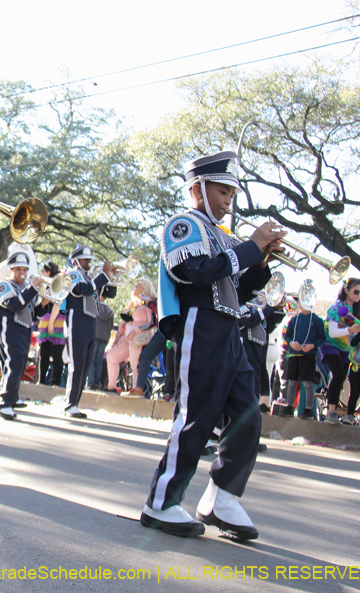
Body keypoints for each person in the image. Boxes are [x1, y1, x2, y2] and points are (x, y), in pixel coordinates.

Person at [140, 151, 284, 540]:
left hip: (230, 333)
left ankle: (221, 497)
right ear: (197, 189)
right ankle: (161, 502)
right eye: (222, 191)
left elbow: (241, 287)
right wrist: (250, 248)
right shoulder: (183, 225)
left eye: (230, 194)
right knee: (195, 416)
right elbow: (196, 272)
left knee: (247, 415)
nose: (227, 201)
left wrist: (261, 261)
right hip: (199, 328)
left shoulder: (225, 236)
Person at [0, 251, 46, 420]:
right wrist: (33, 289)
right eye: (18, 269)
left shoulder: (26, 289)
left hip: (24, 330)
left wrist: (44, 302)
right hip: (10, 329)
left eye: (25, 270)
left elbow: (34, 315)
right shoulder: (4, 286)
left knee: (18, 366)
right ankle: (3, 403)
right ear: (10, 271)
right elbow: (13, 305)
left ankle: (6, 398)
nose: (23, 273)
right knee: (13, 364)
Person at [63, 245, 116, 418]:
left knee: (85, 366)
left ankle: (75, 404)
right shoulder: (73, 274)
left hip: (91, 322)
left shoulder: (91, 277)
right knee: (77, 365)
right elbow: (83, 290)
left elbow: (110, 293)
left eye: (89, 260)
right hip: (76, 320)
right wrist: (103, 276)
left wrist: (111, 277)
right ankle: (70, 404)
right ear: (76, 260)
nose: (89, 262)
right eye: (85, 259)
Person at [320, 278, 360, 425]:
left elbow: (355, 336)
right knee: (338, 374)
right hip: (330, 345)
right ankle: (330, 412)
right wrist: (350, 329)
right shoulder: (336, 308)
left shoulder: (358, 312)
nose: (359, 295)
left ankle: (336, 411)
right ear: (346, 290)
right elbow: (333, 332)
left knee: (340, 379)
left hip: (347, 349)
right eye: (356, 291)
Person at [106, 278, 156, 395]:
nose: (134, 288)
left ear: (144, 289)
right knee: (111, 357)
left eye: (137, 286)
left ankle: (136, 389)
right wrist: (118, 334)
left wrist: (137, 331)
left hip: (138, 338)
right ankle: (112, 387)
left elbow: (152, 322)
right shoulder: (133, 303)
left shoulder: (148, 303)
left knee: (135, 364)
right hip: (126, 337)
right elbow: (125, 321)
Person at [279, 294, 326, 418]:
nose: (302, 304)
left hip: (308, 355)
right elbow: (287, 335)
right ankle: (289, 406)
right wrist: (291, 343)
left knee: (307, 382)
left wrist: (312, 345)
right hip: (294, 354)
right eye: (300, 301)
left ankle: (308, 409)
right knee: (292, 382)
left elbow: (322, 337)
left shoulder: (316, 320)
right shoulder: (294, 320)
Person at [36, 261, 66, 386]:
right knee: (44, 353)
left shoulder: (58, 284)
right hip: (49, 319)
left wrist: (51, 322)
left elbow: (57, 304)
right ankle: (42, 381)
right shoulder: (48, 285)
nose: (42, 274)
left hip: (55, 320)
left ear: (48, 272)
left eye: (43, 271)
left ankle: (57, 383)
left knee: (56, 354)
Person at [86, 292, 114, 390]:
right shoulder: (110, 311)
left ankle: (91, 383)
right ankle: (98, 382)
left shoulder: (94, 307)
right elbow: (111, 326)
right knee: (99, 361)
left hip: (94, 335)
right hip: (104, 338)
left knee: (91, 360)